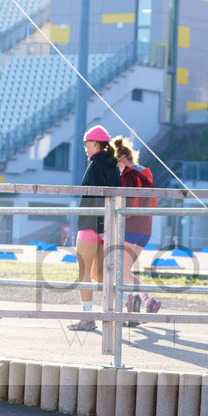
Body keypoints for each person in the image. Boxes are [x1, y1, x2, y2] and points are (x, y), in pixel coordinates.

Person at [68, 125, 120, 331]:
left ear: (96, 143)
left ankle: (87, 318)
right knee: (100, 274)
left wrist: (98, 226)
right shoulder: (113, 165)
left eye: (87, 142)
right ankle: (120, 307)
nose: (85, 146)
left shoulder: (94, 165)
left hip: (90, 224)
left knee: (83, 271)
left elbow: (95, 197)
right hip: (107, 225)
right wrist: (105, 228)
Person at [113, 136, 161, 325]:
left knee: (120, 272)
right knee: (125, 271)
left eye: (116, 166)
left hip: (131, 226)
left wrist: (118, 218)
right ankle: (145, 304)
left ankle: (140, 307)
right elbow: (153, 201)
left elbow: (128, 203)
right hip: (146, 228)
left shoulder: (130, 175)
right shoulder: (145, 174)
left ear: (122, 160)